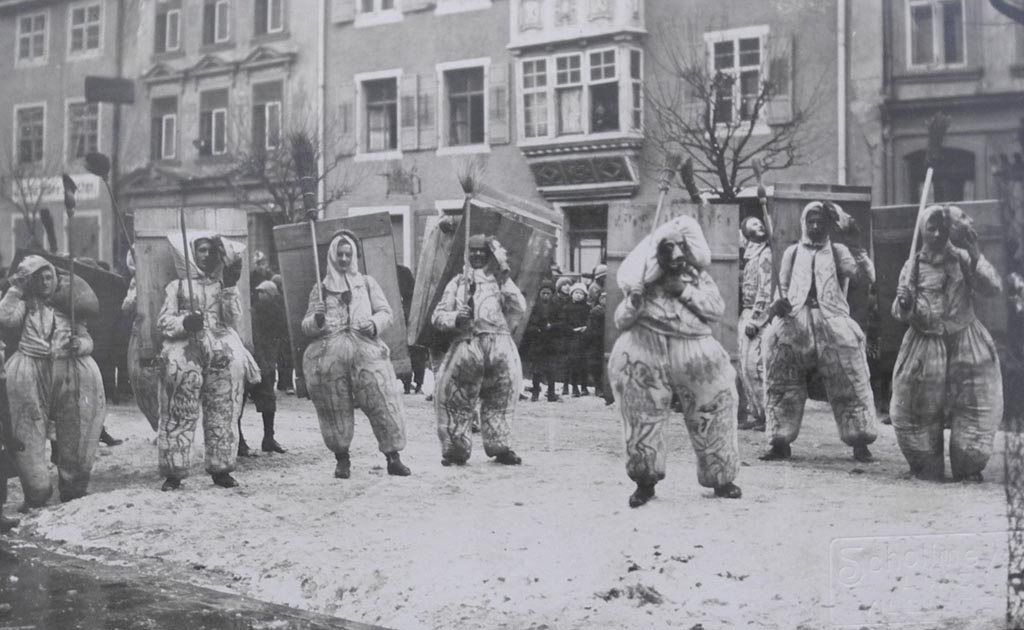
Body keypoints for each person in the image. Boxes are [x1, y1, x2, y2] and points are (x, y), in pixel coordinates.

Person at [610, 215, 741, 508]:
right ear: (657, 253)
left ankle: (721, 476)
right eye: (668, 248)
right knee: (641, 416)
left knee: (714, 407)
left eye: (681, 246)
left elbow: (716, 309)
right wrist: (633, 303)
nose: (677, 254)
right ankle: (644, 480)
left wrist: (683, 291)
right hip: (645, 347)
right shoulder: (643, 281)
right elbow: (620, 320)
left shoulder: (696, 277)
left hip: (696, 348)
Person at [890, 205, 1002, 481]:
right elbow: (899, 312)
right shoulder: (913, 265)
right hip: (924, 344)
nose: (938, 234)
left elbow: (992, 287)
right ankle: (924, 465)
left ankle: (969, 464)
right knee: (915, 406)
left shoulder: (962, 258)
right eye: (932, 229)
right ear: (923, 231)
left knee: (977, 403)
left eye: (943, 229)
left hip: (966, 339)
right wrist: (905, 302)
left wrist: (976, 256)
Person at [760, 201, 877, 462]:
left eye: (820, 222)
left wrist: (856, 246)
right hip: (794, 323)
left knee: (850, 380)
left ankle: (860, 441)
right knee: (782, 381)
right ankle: (779, 441)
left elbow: (865, 277)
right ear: (804, 223)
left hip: (833, 322)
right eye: (811, 222)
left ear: (827, 226)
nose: (815, 227)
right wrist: (778, 305)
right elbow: (783, 287)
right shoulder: (792, 253)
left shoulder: (838, 251)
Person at [302, 231, 410, 479]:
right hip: (331, 352)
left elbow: (386, 312)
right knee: (334, 405)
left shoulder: (367, 283)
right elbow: (305, 326)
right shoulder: (321, 288)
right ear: (332, 256)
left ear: (354, 257)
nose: (343, 259)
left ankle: (393, 457)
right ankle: (342, 459)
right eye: (339, 254)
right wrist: (317, 319)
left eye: (347, 254)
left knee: (381, 398)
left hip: (365, 349)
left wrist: (373, 324)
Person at [0, 256, 107, 506]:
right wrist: (16, 288)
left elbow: (87, 339)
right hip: (29, 370)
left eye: (49, 277)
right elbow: (5, 317)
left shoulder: (69, 308)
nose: (45, 282)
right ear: (32, 281)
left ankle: (73, 486)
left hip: (70, 369)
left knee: (77, 428)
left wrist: (79, 345)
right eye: (39, 278)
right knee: (27, 430)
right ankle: (36, 491)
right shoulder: (26, 305)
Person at [156, 233, 258, 491]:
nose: (206, 255)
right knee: (180, 408)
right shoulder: (177, 286)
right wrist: (184, 322)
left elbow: (233, 319)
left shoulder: (222, 285)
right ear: (192, 254)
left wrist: (230, 287)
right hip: (186, 346)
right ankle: (174, 471)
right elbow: (163, 321)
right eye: (201, 250)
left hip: (220, 345)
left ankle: (221, 467)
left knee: (223, 408)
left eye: (211, 251)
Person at [432, 234, 526, 466]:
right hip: (467, 345)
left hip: (499, 346)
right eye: (472, 250)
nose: (476, 255)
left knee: (501, 398)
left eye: (481, 251)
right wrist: (456, 317)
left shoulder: (500, 282)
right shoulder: (458, 283)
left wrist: (504, 277)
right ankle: (455, 449)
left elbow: (519, 307)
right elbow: (438, 316)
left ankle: (500, 446)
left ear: (489, 254)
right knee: (455, 399)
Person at [240, 280, 288, 455]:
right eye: (259, 292)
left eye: (264, 293)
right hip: (252, 360)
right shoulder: (252, 314)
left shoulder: (277, 314)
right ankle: (239, 441)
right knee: (239, 401)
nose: (260, 296)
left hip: (266, 362)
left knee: (269, 402)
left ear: (272, 295)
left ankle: (269, 438)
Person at [737, 216, 772, 431]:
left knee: (756, 366)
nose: (758, 226)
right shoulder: (750, 255)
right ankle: (757, 413)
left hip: (758, 317)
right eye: (753, 225)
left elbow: (765, 288)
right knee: (744, 366)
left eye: (760, 223)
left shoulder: (766, 254)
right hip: (746, 312)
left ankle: (767, 415)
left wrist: (756, 319)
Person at [523, 279, 564, 402]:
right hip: (537, 342)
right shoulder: (534, 306)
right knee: (536, 370)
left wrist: (552, 326)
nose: (546, 296)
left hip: (551, 342)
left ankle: (551, 394)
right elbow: (528, 323)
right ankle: (535, 393)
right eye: (543, 293)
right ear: (539, 293)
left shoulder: (556, 306)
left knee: (551, 370)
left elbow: (562, 322)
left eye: (548, 293)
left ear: (552, 294)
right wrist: (536, 329)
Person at [584, 291, 607, 400]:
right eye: (603, 298)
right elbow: (591, 328)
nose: (605, 300)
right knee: (597, 365)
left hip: (608, 340)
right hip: (597, 342)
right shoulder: (595, 312)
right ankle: (598, 387)